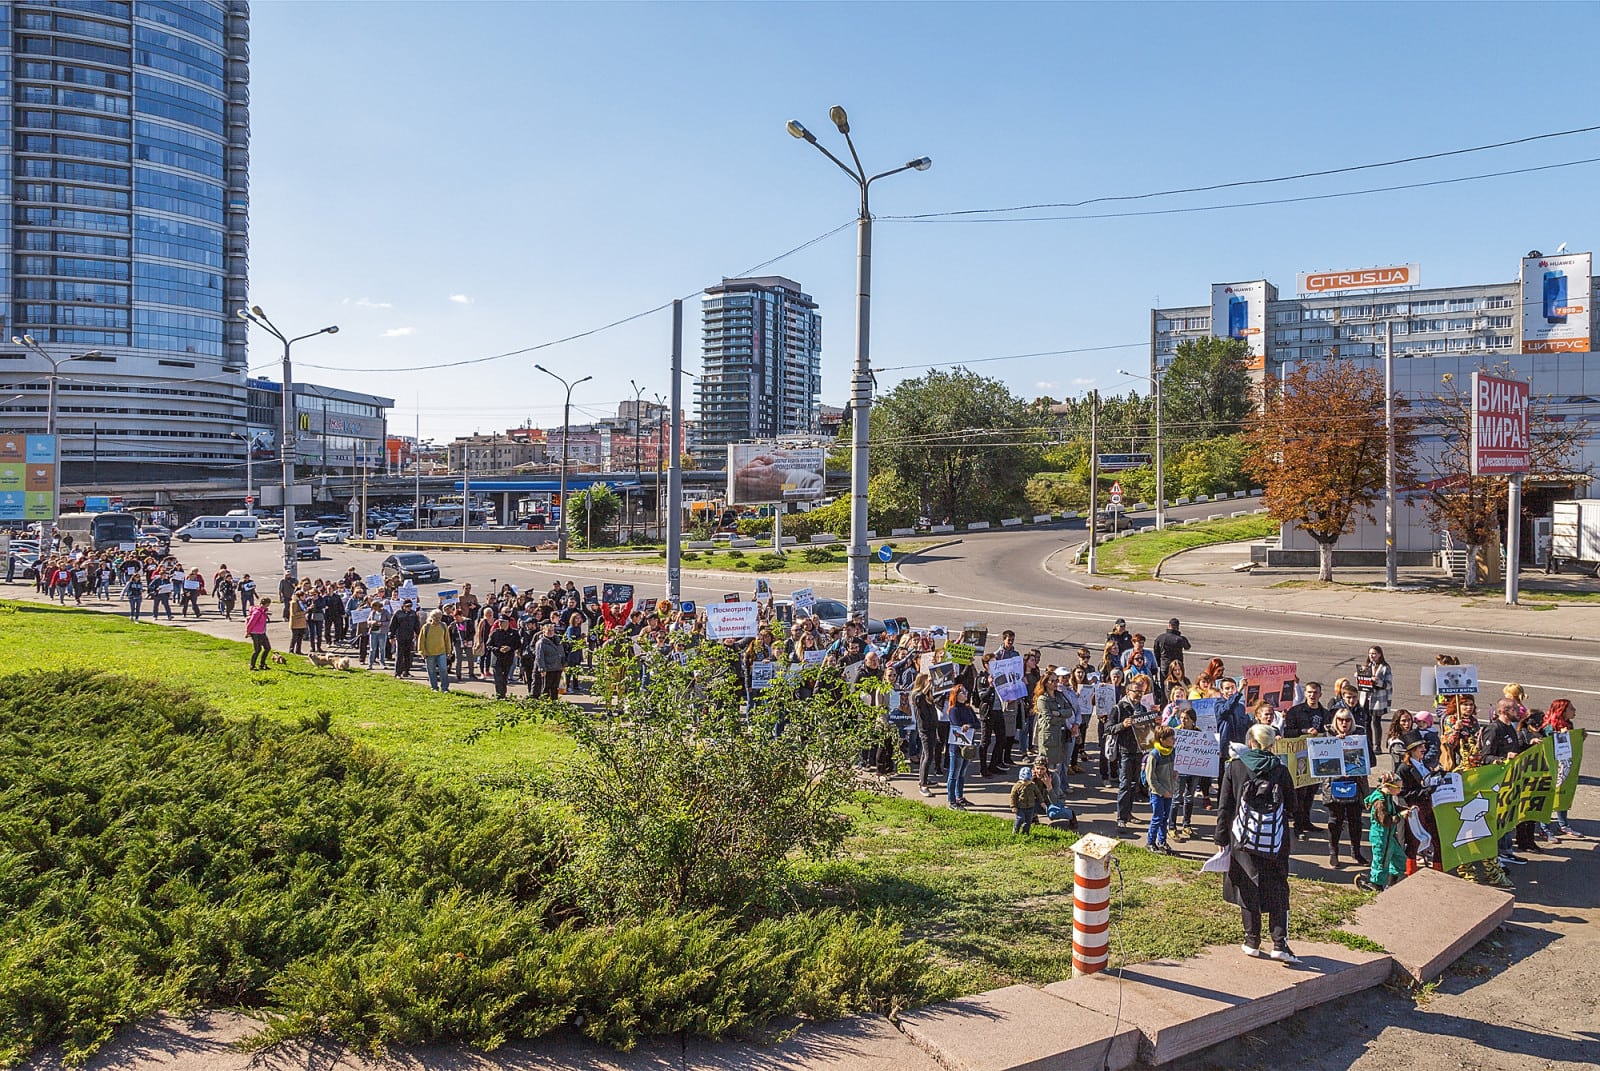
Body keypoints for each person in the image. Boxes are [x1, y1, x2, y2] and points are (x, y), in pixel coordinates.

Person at [1216, 723, 1299, 964]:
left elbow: (1225, 806)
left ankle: (1251, 940)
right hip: (1274, 839)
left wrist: (1221, 837)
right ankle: (1279, 943)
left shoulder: (1235, 767)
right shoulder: (1281, 770)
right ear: (1272, 744)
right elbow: (1292, 806)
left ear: (1251, 743)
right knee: (1277, 885)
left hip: (1243, 837)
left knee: (1247, 883)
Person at [1324, 709, 1369, 869]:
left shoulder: (1360, 734)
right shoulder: (1328, 735)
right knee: (1335, 820)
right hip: (1334, 784)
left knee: (1355, 821)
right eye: (1341, 720)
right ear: (1336, 721)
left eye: (1347, 720)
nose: (1344, 723)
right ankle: (1333, 852)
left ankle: (1356, 852)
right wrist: (1336, 745)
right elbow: (1320, 761)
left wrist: (1353, 745)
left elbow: (1370, 759)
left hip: (1355, 784)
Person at [1281, 681, 1327, 837]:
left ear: (1320, 694)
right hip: (1299, 758)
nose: (1312, 695)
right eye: (1309, 692)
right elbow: (1288, 732)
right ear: (1305, 694)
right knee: (1300, 793)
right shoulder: (1296, 711)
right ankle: (1298, 826)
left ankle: (1307, 821)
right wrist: (1304, 731)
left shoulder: (1325, 713)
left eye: (1315, 692)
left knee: (1311, 793)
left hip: (1317, 759)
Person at [1111, 675, 1153, 833]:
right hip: (1125, 751)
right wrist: (1123, 725)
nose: (1139, 695)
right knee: (1124, 784)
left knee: (1134, 784)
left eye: (1141, 692)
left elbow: (1146, 730)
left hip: (1138, 751)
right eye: (1136, 692)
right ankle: (1121, 818)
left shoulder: (1142, 708)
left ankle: (1128, 813)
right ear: (1128, 692)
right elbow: (1109, 728)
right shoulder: (1119, 708)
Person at [1033, 669, 1074, 806]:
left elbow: (1069, 711)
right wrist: (1058, 716)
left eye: (1057, 680)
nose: (1056, 683)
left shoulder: (1060, 696)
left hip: (1060, 735)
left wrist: (1059, 713)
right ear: (1045, 683)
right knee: (1047, 766)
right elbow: (1048, 718)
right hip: (1049, 737)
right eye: (1053, 681)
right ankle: (1045, 796)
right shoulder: (1042, 699)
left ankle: (1055, 792)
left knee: (1057, 766)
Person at [1542, 698, 1581, 840]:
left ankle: (1563, 824)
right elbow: (1547, 743)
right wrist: (1560, 736)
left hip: (1565, 765)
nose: (1574, 710)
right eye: (1571, 708)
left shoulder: (1568, 724)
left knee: (1563, 794)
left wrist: (1578, 738)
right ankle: (1544, 827)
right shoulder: (1550, 725)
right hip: (1551, 767)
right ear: (1562, 711)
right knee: (1549, 795)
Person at [1362, 773, 1409, 891]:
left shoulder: (1387, 797)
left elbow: (1394, 807)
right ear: (1388, 786)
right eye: (1398, 788)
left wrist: (1405, 810)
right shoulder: (1379, 801)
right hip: (1381, 836)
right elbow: (1385, 821)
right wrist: (1400, 816)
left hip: (1390, 836)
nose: (1400, 791)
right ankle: (1376, 884)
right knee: (1381, 861)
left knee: (1400, 859)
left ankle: (1393, 882)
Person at [946, 683, 981, 809]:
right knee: (954, 774)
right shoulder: (954, 710)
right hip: (957, 747)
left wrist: (969, 726)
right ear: (956, 695)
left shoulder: (968, 708)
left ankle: (959, 797)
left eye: (966, 692)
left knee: (962, 773)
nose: (965, 694)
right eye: (962, 692)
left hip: (968, 746)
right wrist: (965, 726)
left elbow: (977, 724)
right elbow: (956, 725)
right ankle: (951, 800)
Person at [1143, 724, 1177, 853]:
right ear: (1162, 740)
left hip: (1169, 791)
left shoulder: (1172, 751)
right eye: (1170, 738)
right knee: (1157, 817)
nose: (1173, 740)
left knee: (1165, 818)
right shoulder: (1154, 755)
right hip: (1158, 793)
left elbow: (1170, 768)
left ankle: (1162, 841)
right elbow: (1151, 778)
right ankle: (1150, 842)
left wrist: (1174, 774)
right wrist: (1163, 791)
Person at [1357, 645, 1393, 742]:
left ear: (1379, 654)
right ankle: (1369, 743)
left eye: (1374, 654)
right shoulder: (1367, 666)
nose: (1372, 656)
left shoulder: (1385, 667)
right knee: (1366, 722)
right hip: (1366, 698)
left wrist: (1377, 681)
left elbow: (1388, 685)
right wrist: (1359, 676)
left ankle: (1377, 745)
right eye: (1370, 654)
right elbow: (1363, 681)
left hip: (1378, 699)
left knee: (1376, 722)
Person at [485, 612, 520, 699]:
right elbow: (488, 645)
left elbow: (518, 644)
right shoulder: (495, 633)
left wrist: (510, 648)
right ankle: (499, 696)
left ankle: (503, 695)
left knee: (504, 679)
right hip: (497, 659)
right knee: (498, 678)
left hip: (508, 659)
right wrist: (498, 649)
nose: (500, 624)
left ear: (508, 623)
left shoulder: (514, 633)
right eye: (499, 622)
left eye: (502, 622)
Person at [419, 608, 453, 691]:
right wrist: (421, 651)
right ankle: (434, 687)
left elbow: (447, 639)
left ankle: (445, 688)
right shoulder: (426, 627)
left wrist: (449, 651)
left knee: (443, 670)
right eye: (436, 617)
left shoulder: (443, 625)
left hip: (441, 652)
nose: (438, 619)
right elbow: (421, 640)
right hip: (429, 653)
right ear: (432, 617)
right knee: (431, 671)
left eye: (439, 617)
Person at [1010, 766, 1047, 834]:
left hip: (1030, 807)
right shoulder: (1017, 786)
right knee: (1020, 818)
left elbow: (1038, 794)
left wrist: (1042, 802)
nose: (1026, 782)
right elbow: (1013, 796)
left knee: (1028, 821)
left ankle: (1025, 832)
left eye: (1028, 780)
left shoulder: (1033, 786)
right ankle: (1015, 830)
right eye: (1024, 781)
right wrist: (1013, 806)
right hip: (1020, 807)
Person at [390, 598, 420, 677]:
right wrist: (391, 636)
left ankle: (406, 671)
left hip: (409, 637)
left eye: (410, 606)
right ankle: (397, 673)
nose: (409, 607)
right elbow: (393, 626)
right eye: (407, 606)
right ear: (403, 606)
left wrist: (418, 634)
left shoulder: (413, 614)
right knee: (399, 655)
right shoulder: (398, 613)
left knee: (408, 655)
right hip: (400, 637)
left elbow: (416, 625)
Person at [246, 597, 272, 670]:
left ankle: (262, 664)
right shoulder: (257, 612)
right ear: (265, 604)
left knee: (267, 648)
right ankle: (252, 665)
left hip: (262, 632)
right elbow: (251, 623)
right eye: (268, 605)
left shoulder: (263, 611)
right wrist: (248, 632)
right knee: (257, 650)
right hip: (255, 633)